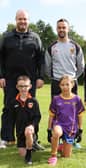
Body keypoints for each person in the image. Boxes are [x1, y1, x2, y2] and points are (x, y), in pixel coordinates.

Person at [0, 9, 45, 149]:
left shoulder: (35, 37)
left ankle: (33, 139)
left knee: (31, 109)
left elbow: (41, 59)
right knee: (8, 108)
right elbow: (0, 59)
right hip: (10, 80)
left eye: (25, 19)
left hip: (29, 81)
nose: (22, 21)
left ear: (28, 21)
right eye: (20, 19)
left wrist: (40, 77)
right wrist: (1, 76)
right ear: (16, 20)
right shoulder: (6, 37)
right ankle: (5, 138)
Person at [45, 18, 85, 148]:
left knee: (73, 111)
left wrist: (72, 79)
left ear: (68, 29)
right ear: (57, 29)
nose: (62, 29)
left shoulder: (75, 46)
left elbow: (81, 66)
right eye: (59, 27)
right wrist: (56, 79)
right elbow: (47, 66)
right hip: (57, 82)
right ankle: (58, 137)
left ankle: (72, 139)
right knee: (57, 111)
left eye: (64, 27)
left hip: (72, 83)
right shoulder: (52, 47)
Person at [47, 75, 85, 166]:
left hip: (71, 128)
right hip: (59, 124)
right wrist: (49, 129)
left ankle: (61, 146)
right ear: (59, 86)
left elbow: (80, 115)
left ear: (72, 85)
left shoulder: (77, 99)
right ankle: (53, 156)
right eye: (62, 85)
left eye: (67, 84)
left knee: (66, 156)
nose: (65, 87)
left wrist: (80, 130)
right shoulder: (56, 99)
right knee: (56, 133)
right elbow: (51, 115)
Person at [9, 75, 41, 165]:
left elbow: (37, 116)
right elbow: (11, 120)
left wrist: (32, 126)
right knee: (22, 154)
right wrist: (11, 136)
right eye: (21, 86)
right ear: (17, 87)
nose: (23, 89)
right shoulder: (13, 102)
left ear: (30, 86)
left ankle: (29, 155)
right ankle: (31, 145)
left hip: (30, 130)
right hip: (19, 132)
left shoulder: (33, 101)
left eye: (26, 86)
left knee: (28, 132)